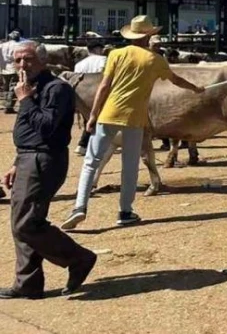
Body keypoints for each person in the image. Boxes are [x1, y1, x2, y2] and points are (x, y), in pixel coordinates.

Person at [61, 16, 205, 230]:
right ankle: (125, 211)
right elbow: (176, 80)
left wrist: (92, 115)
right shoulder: (155, 60)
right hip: (135, 118)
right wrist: (196, 89)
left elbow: (104, 87)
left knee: (91, 161)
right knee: (129, 166)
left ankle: (79, 207)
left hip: (108, 114)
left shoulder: (116, 54)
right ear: (148, 36)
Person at [1, 42, 98, 299]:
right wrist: (16, 162)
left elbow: (48, 128)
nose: (22, 65)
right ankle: (28, 284)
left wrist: (26, 100)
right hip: (28, 158)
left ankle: (78, 258)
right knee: (21, 222)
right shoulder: (29, 88)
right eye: (18, 60)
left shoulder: (57, 89)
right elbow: (28, 131)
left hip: (44, 161)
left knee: (27, 224)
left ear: (43, 61)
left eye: (28, 60)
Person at [72, 42, 108, 156]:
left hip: (82, 94)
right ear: (98, 49)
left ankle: (84, 145)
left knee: (88, 119)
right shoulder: (104, 60)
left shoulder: (80, 64)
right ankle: (85, 144)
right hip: (98, 91)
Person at [2, 31, 24, 114]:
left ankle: (6, 104)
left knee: (6, 87)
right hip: (14, 69)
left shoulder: (2, 45)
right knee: (13, 87)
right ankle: (9, 106)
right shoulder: (19, 46)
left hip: (3, 69)